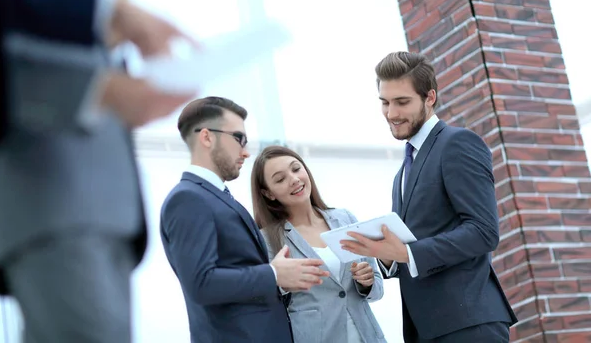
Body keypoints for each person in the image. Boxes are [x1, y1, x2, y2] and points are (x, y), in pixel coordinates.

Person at [0, 0, 197, 342]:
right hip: (47, 189)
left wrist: (108, 1)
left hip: (99, 199)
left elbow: (41, 25)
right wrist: (92, 89)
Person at [340, 51, 518, 342]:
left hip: (468, 324)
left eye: (402, 102)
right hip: (426, 330)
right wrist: (385, 258)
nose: (391, 113)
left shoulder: (458, 143)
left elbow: (484, 232)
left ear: (430, 97)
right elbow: (416, 244)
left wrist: (407, 253)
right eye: (385, 102)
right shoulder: (402, 173)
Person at [160, 97, 330, 343]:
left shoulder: (216, 197)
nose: (246, 151)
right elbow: (201, 283)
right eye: (238, 138)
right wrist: (273, 274)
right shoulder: (188, 199)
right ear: (207, 137)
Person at [251, 145, 386, 343]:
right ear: (269, 194)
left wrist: (367, 283)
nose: (294, 179)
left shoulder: (345, 218)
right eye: (280, 179)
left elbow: (377, 290)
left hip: (367, 336)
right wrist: (280, 282)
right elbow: (264, 302)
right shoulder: (268, 239)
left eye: (296, 169)